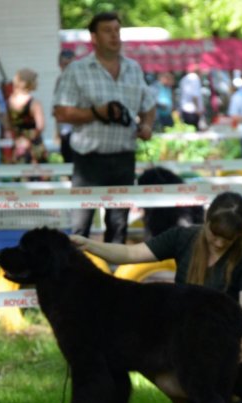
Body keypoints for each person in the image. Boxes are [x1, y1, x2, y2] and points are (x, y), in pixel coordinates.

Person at [70, 191, 242, 403]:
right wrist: (88, 244)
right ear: (206, 222)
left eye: (228, 239)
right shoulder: (183, 237)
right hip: (187, 335)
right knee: (138, 344)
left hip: (224, 339)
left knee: (203, 375)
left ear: (240, 233)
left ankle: (226, 399)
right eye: (215, 235)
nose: (220, 243)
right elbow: (131, 253)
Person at [53, 11, 156, 244]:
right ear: (94, 37)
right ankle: (75, 268)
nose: (114, 36)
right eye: (107, 31)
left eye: (117, 30)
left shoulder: (133, 68)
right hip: (88, 160)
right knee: (80, 227)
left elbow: (148, 105)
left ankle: (115, 267)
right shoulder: (76, 70)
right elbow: (60, 112)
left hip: (124, 158)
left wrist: (147, 126)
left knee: (118, 226)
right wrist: (96, 113)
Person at [7, 68, 48, 164]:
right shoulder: (34, 103)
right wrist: (30, 137)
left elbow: (9, 124)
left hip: (18, 146)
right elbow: (40, 126)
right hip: (34, 147)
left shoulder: (10, 101)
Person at [55, 50, 75, 163]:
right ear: (60, 65)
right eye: (65, 65)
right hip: (65, 131)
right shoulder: (60, 81)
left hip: (79, 131)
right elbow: (57, 108)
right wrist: (57, 130)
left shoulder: (81, 81)